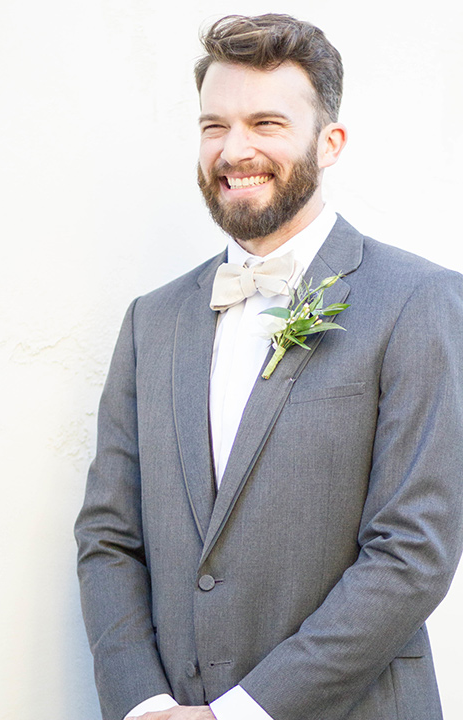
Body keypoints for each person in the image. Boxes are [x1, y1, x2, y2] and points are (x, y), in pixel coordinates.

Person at [75, 14, 463, 720]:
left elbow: (413, 552)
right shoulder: (150, 322)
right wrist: (145, 705)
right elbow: (109, 537)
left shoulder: (422, 300)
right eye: (213, 125)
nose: (234, 149)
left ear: (330, 142)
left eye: (266, 123)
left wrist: (243, 712)